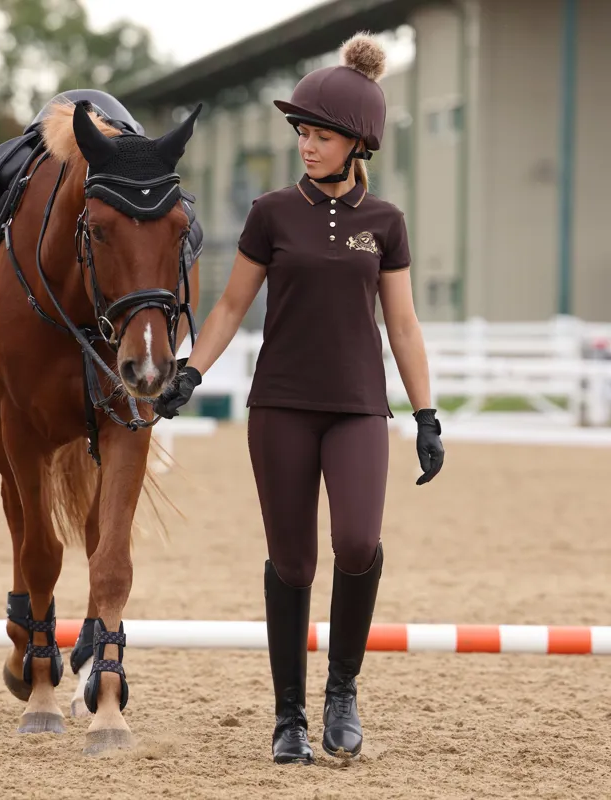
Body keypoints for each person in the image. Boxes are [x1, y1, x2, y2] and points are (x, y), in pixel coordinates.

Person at [154, 32, 444, 764]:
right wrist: (190, 371)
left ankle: (341, 691)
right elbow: (227, 308)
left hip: (357, 408)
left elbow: (403, 324)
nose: (306, 146)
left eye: (319, 135)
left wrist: (426, 413)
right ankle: (288, 718)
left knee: (358, 544)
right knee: (292, 564)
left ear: (358, 143)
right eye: (303, 133)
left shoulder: (387, 224)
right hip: (280, 406)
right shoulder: (271, 211)